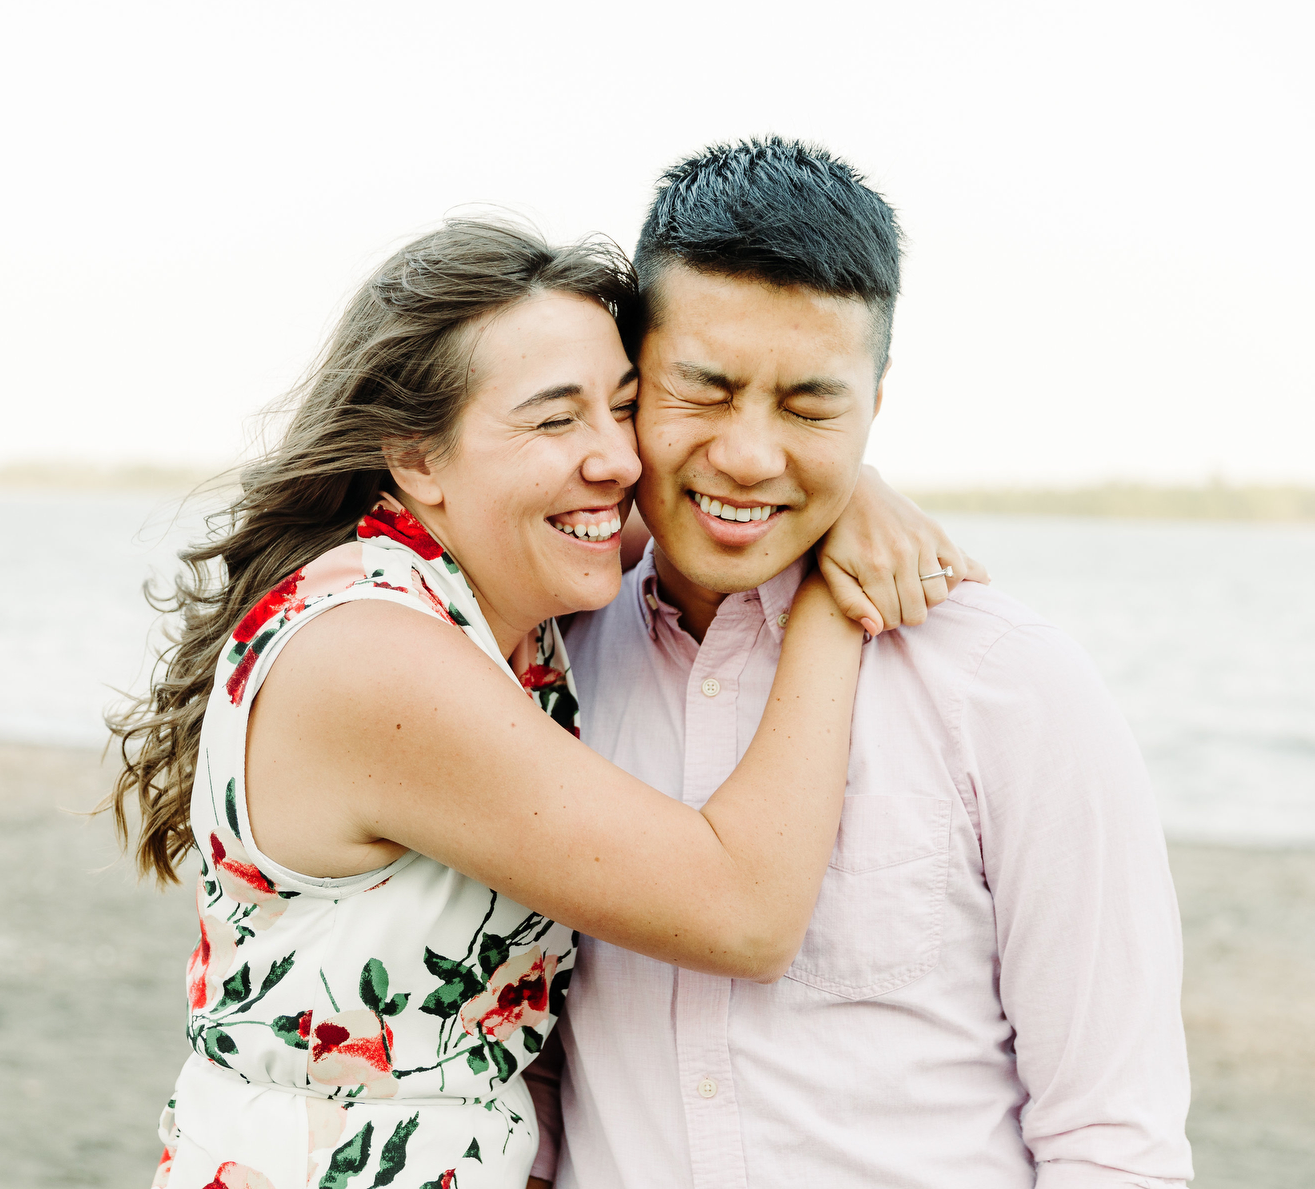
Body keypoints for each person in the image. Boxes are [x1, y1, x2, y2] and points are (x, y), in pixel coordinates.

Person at [103, 218, 978, 1189]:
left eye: (624, 406)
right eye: (557, 420)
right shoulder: (370, 653)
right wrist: (830, 603)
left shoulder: (501, 585)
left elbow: (720, 497)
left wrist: (839, 483)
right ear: (418, 457)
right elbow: (743, 911)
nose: (615, 459)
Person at [525, 138, 1193, 1189]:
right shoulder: (546, 663)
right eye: (704, 390)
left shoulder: (1015, 688)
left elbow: (1114, 1140)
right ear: (630, 382)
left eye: (809, 405)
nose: (749, 454)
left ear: (876, 403)